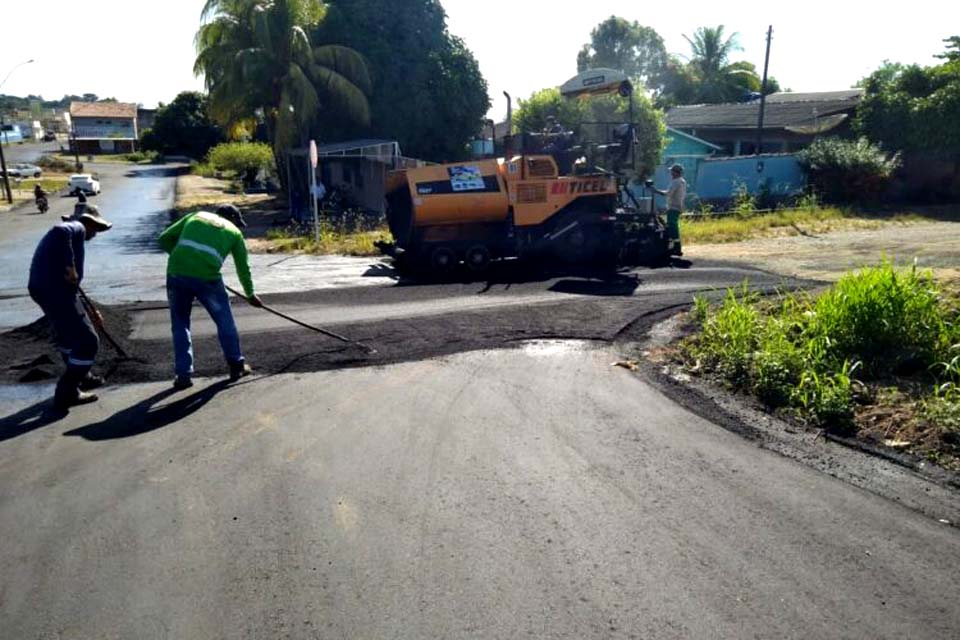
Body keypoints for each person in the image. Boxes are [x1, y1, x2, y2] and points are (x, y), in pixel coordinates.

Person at [158, 204, 263, 390]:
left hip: (177, 272)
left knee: (180, 323)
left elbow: (164, 238)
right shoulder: (235, 233)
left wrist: (182, 259)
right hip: (208, 279)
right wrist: (250, 294)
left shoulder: (196, 215)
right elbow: (243, 269)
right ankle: (236, 365)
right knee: (225, 321)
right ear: (232, 220)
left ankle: (183, 375)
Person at [28, 204, 113, 411]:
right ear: (90, 222)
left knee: (68, 338)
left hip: (45, 289)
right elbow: (60, 230)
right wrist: (70, 266)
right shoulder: (77, 227)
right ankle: (68, 391)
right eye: (97, 228)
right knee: (88, 341)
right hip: (55, 291)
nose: (95, 234)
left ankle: (83, 376)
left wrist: (87, 309)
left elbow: (73, 286)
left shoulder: (74, 237)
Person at [655, 164, 687, 256]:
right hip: (678, 206)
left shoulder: (676, 182)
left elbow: (668, 193)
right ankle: (675, 246)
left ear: (676, 172)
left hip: (673, 207)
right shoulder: (682, 181)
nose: (671, 173)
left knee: (672, 226)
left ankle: (677, 247)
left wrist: (656, 191)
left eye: (672, 171)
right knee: (672, 225)